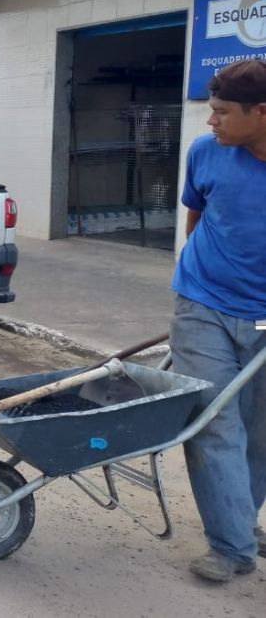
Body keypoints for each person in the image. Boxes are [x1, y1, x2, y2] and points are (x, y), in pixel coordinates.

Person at [170, 58, 266, 583]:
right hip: (202, 305)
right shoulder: (206, 152)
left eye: (223, 112)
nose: (211, 122)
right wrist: (200, 278)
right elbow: (196, 214)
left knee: (260, 431)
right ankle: (230, 545)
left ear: (261, 113)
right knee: (213, 421)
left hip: (265, 319)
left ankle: (241, 521)